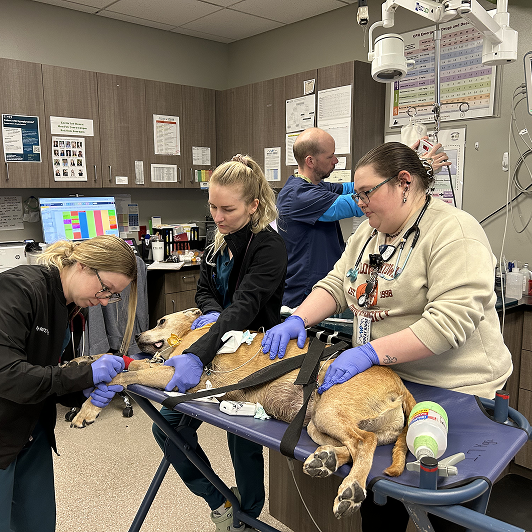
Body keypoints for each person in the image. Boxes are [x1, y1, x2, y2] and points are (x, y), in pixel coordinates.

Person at [262, 142, 512, 532]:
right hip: (390, 384)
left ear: (405, 183)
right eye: (356, 194)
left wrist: (370, 353)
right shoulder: (368, 233)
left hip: (458, 391)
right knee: (382, 499)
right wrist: (299, 318)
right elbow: (337, 284)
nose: (359, 202)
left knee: (444, 509)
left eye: (366, 192)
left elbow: (449, 322)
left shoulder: (455, 231)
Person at [151, 154, 287, 532]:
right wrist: (211, 315)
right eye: (212, 206)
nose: (218, 216)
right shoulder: (216, 245)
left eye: (227, 209)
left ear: (253, 205)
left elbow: (244, 307)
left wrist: (202, 345)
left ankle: (249, 517)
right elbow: (205, 291)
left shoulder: (268, 248)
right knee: (166, 427)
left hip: (247, 356)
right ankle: (219, 499)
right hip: (210, 347)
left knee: (242, 438)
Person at [0, 235, 138, 532]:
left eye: (112, 296)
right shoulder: (18, 289)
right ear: (83, 266)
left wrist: (79, 391)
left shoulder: (67, 304)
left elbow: (44, 370)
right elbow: (7, 374)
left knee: (37, 524)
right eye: (105, 289)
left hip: (31, 428)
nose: (103, 301)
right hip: (3, 428)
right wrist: (84, 375)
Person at [276, 127, 449, 309]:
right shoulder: (297, 196)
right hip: (304, 295)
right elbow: (360, 201)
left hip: (321, 287)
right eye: (330, 157)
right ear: (310, 161)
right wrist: (414, 170)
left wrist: (397, 164)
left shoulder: (317, 187)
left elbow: (359, 187)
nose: (335, 160)